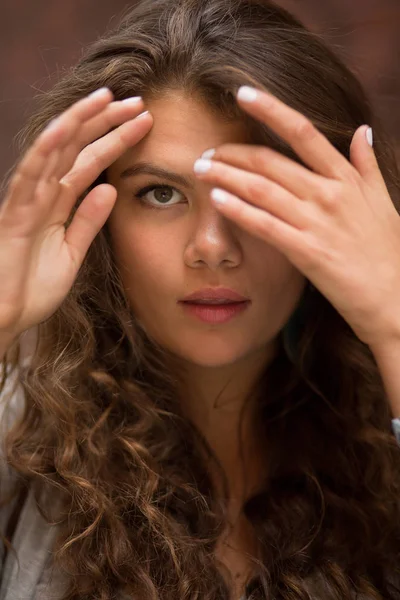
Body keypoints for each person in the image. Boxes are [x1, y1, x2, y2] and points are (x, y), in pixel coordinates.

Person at [0, 0, 400, 598]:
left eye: (254, 193)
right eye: (161, 194)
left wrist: (396, 329)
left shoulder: (384, 428)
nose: (212, 249)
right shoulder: (18, 434)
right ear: (97, 216)